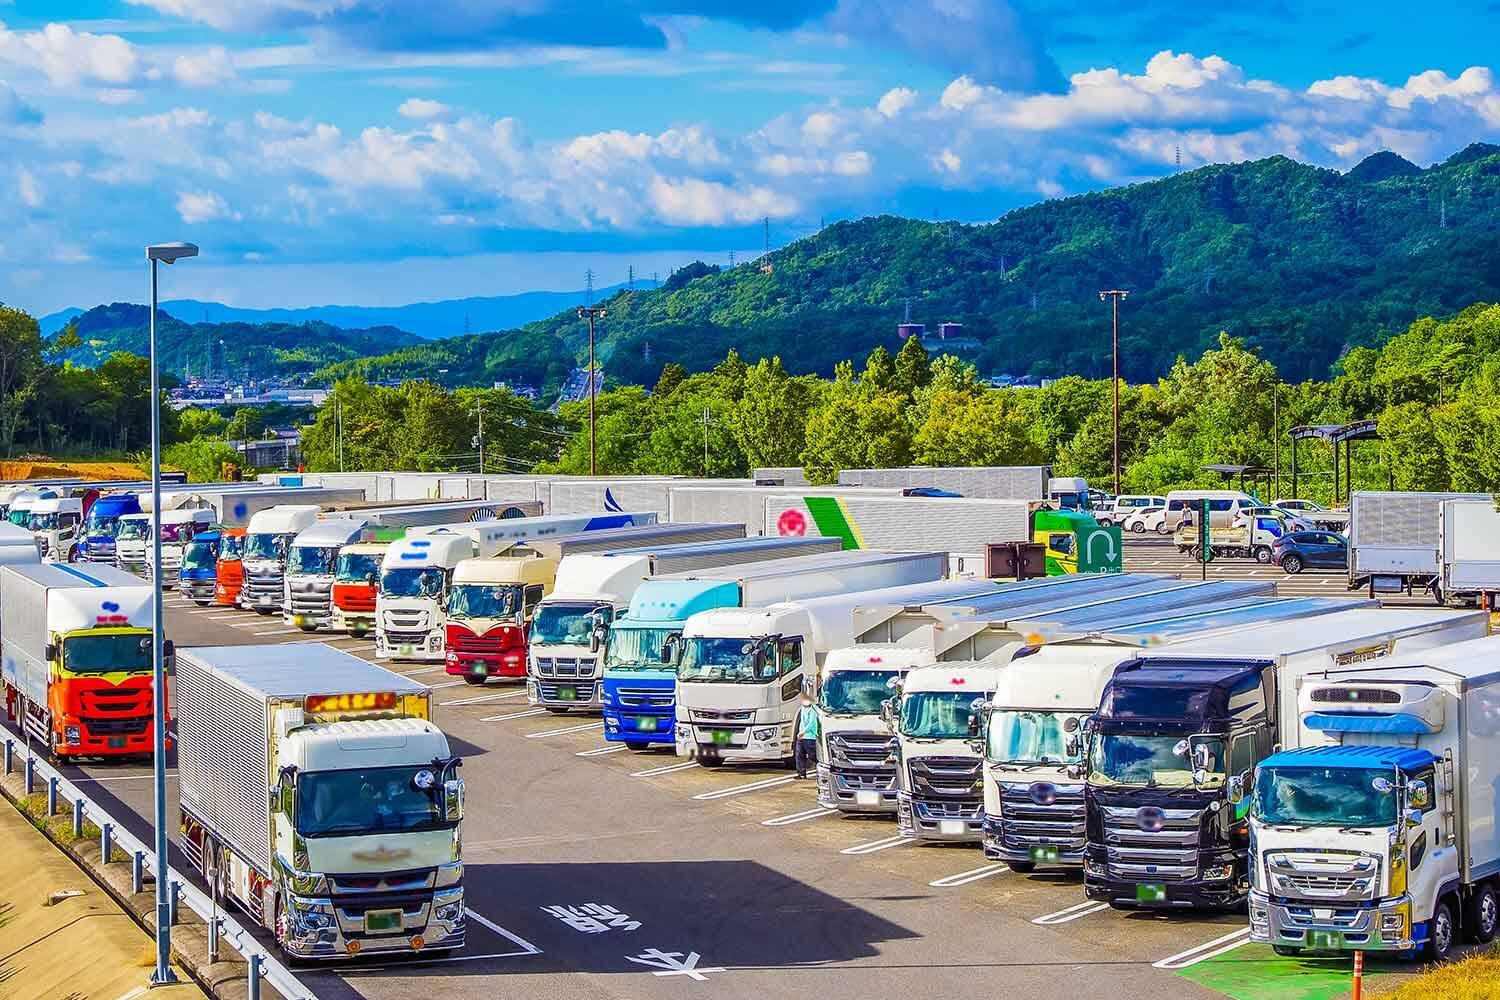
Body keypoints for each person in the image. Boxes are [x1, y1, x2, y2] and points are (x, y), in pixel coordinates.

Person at [794, 697, 819, 779]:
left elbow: (811, 723)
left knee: (813, 755)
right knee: (799, 755)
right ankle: (801, 773)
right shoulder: (802, 708)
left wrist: (803, 732)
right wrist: (800, 733)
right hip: (801, 736)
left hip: (810, 736)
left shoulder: (813, 709)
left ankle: (822, 768)